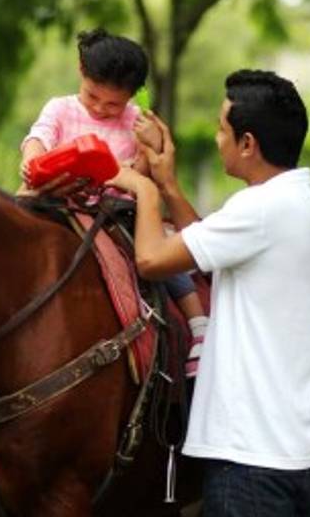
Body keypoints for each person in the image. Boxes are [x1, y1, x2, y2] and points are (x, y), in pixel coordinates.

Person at [109, 69, 310, 517]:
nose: (214, 137)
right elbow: (217, 239)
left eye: (220, 128)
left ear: (248, 145)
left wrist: (140, 191)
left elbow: (154, 259)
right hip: (301, 454)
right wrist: (170, 184)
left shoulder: (261, 212)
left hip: (249, 460)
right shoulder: (308, 207)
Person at [19, 27, 208, 375]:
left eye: (113, 104)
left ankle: (197, 323)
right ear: (81, 72)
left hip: (118, 211)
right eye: (92, 97)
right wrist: (34, 161)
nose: (101, 109)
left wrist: (146, 148)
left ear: (134, 95)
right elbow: (38, 137)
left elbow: (140, 172)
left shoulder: (136, 120)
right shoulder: (61, 109)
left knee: (160, 252)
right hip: (61, 203)